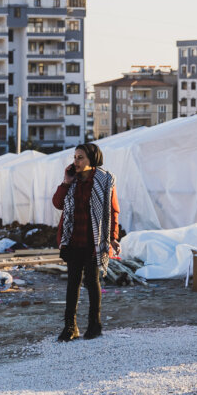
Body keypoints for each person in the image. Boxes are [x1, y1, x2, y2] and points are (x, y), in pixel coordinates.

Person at [52, 143, 120, 342]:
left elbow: (113, 210)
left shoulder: (105, 180)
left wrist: (113, 237)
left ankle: (95, 324)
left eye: (80, 157)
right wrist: (65, 182)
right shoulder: (71, 181)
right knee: (72, 284)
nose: (76, 161)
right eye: (74, 157)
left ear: (92, 159)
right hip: (73, 240)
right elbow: (58, 204)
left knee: (92, 282)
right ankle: (70, 327)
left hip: (93, 241)